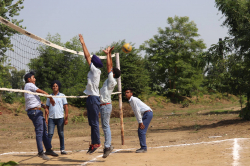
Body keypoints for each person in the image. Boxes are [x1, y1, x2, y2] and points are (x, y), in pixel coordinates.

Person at [24, 71, 58, 160]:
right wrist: (50, 97)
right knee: (39, 132)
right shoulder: (29, 85)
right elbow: (41, 91)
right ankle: (40, 152)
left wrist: (44, 107)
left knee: (44, 132)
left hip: (37, 111)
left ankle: (48, 149)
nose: (35, 79)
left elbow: (37, 100)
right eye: (33, 77)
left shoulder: (30, 88)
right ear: (29, 79)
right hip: (34, 112)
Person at [79, 34, 103, 154]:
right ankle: (94, 142)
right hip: (90, 99)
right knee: (91, 123)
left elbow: (87, 56)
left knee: (94, 123)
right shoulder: (93, 71)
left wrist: (83, 43)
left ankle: (97, 143)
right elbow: (88, 58)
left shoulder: (95, 70)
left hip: (94, 99)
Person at [100, 46, 121, 158]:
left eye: (111, 71)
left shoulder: (111, 79)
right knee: (105, 126)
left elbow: (109, 66)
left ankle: (108, 146)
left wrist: (108, 55)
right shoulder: (111, 79)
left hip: (105, 106)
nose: (110, 70)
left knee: (106, 126)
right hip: (105, 105)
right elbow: (110, 66)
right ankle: (108, 145)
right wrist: (108, 54)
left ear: (112, 74)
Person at [125, 87, 153, 153]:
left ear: (131, 94)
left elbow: (137, 111)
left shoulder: (133, 100)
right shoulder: (131, 100)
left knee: (141, 130)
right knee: (140, 130)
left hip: (147, 113)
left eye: (128, 92)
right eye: (125, 93)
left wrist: (140, 122)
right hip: (146, 114)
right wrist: (139, 121)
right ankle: (143, 147)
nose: (126, 94)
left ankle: (143, 148)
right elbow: (137, 111)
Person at [46, 80, 68, 155]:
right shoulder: (49, 96)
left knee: (61, 133)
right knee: (50, 134)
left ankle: (62, 149)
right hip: (51, 118)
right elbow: (47, 108)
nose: (55, 87)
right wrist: (46, 119)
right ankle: (48, 149)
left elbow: (66, 107)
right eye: (53, 86)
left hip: (60, 118)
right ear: (52, 87)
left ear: (58, 87)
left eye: (56, 86)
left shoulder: (62, 95)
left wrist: (66, 118)